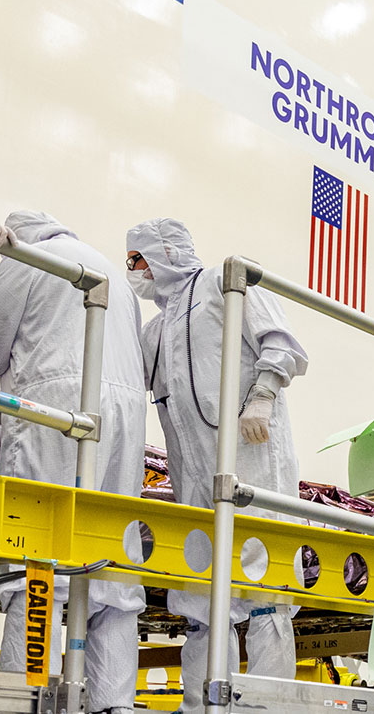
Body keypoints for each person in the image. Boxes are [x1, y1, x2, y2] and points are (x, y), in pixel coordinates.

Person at [0, 210, 146, 714]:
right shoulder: (109, 270)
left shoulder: (29, 256)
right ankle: (114, 705)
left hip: (59, 406)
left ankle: (25, 699)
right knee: (112, 568)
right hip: (126, 418)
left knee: (38, 554)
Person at [125, 218, 307, 714]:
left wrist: (263, 394)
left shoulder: (223, 283)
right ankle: (201, 706)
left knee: (266, 591)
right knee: (202, 601)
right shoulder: (154, 330)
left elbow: (281, 342)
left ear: (165, 253)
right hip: (193, 481)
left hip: (253, 461)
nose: (134, 272)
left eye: (138, 260)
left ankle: (269, 708)